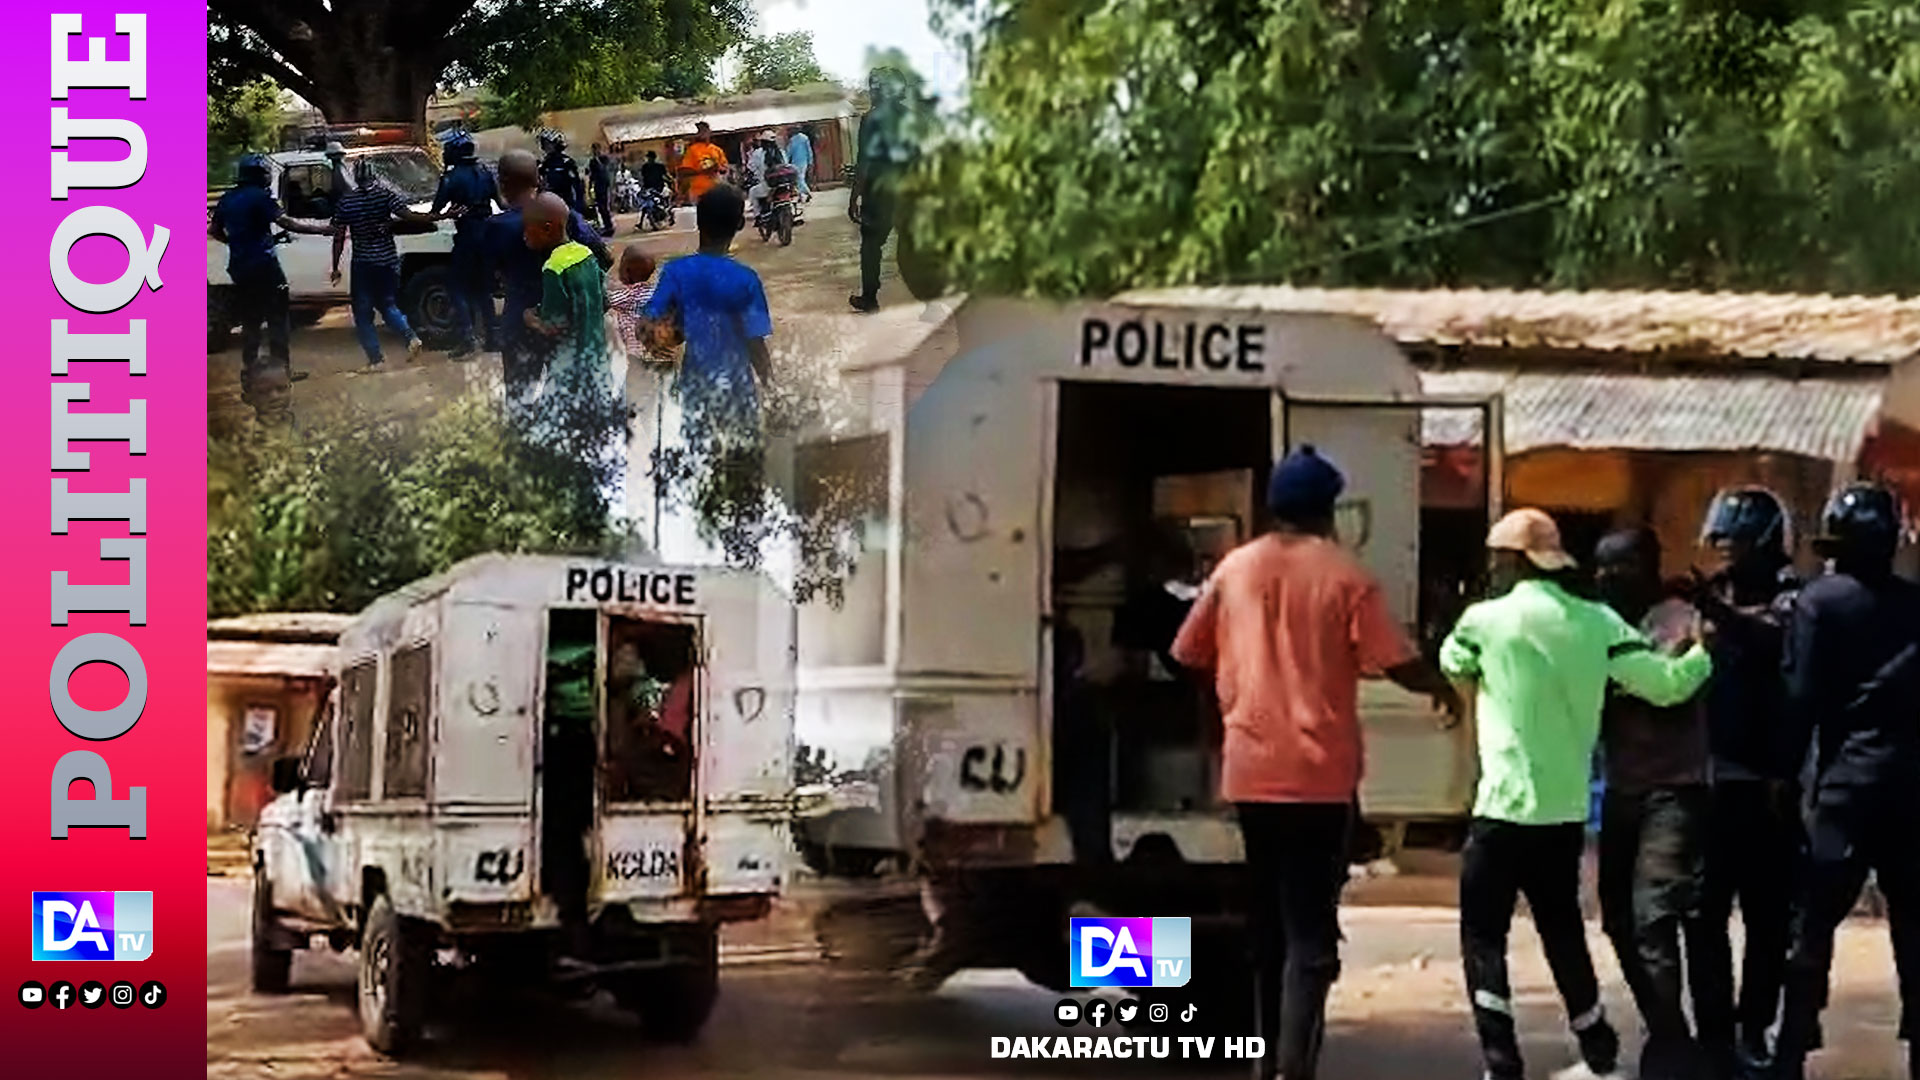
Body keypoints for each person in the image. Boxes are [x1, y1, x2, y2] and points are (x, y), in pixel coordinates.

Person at [1170, 446, 1463, 1080]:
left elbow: (1187, 651)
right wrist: (1441, 687)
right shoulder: (1347, 577)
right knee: (1310, 934)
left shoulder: (1233, 570)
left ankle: (1262, 1059)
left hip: (1250, 774)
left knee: (1268, 926)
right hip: (1321, 780)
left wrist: (1233, 705)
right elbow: (1396, 661)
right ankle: (1294, 1067)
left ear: (1273, 506)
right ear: (1329, 510)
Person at [1440, 508, 1714, 1080]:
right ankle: (1597, 1044)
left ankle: (1500, 1056)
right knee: (1562, 929)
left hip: (1502, 809)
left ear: (1513, 561)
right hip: (1564, 814)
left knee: (1483, 934)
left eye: (1498, 559)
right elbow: (1667, 689)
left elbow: (1452, 662)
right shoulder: (1600, 624)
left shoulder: (1483, 620)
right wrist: (1702, 653)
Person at [1772, 484, 1920, 1080]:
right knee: (1914, 926)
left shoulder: (1819, 603)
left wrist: (1783, 779)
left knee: (1813, 922)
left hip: (1844, 787)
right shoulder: (1916, 606)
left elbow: (1800, 699)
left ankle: (1791, 1052)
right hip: (1912, 786)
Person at [1681, 486, 1805, 1078]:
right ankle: (1714, 1033)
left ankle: (1755, 1027)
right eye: (1720, 545)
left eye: (1735, 544)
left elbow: (1774, 644)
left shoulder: (1796, 597)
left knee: (1767, 918)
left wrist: (1715, 610)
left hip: (1772, 785)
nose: (1726, 556)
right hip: (1711, 780)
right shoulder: (1717, 596)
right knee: (1702, 915)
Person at [1592, 528, 1715, 1080]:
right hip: (1622, 789)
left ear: (1646, 566)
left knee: (1654, 918)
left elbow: (1675, 687)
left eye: (1617, 568)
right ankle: (1667, 1030)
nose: (1605, 579)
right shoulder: (1597, 626)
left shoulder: (1681, 620)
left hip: (1675, 789)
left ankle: (1666, 1049)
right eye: (1600, 568)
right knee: (1618, 918)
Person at [642, 184, 773, 442]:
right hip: (738, 390)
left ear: (698, 222)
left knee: (698, 450)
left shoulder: (675, 272)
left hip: (695, 382)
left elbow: (649, 320)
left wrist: (656, 340)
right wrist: (771, 386)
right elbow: (755, 343)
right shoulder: (746, 279)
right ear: (739, 224)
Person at [482, 149, 612, 409]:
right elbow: (604, 258)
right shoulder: (563, 215)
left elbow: (485, 278)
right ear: (538, 179)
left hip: (520, 323)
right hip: (565, 325)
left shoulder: (495, 228)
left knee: (520, 398)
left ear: (502, 183)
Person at [209, 153, 335, 419]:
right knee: (278, 321)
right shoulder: (260, 197)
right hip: (265, 268)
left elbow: (215, 231)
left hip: (240, 268)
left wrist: (238, 244)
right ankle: (283, 372)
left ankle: (250, 375)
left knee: (251, 323)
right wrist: (321, 231)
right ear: (258, 174)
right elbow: (285, 222)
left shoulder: (228, 199)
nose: (268, 176)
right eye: (265, 172)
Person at [330, 157, 434, 370]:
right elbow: (409, 216)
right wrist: (439, 216)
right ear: (374, 176)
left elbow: (339, 235)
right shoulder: (385, 195)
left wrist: (335, 266)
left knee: (363, 313)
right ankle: (410, 337)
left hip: (364, 264)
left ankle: (376, 360)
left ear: (356, 178)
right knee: (388, 305)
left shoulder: (347, 201)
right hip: (387, 261)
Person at [849, 68, 918, 313]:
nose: (870, 93)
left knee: (871, 246)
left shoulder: (871, 119)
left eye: (872, 88)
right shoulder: (910, 117)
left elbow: (865, 161)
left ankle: (870, 298)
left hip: (879, 195)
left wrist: (854, 196)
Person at [428, 132, 500, 358]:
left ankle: (467, 337)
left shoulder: (451, 177)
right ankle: (492, 337)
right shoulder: (486, 171)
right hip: (487, 236)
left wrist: (448, 213)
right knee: (483, 289)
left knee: (456, 287)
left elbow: (436, 210)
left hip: (467, 235)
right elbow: (501, 202)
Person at [538, 129, 588, 218]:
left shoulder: (567, 162)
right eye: (544, 144)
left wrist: (579, 205)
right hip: (550, 202)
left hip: (566, 202)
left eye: (548, 144)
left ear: (556, 144)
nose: (546, 147)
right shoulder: (545, 163)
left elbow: (577, 185)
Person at [678, 122, 728, 207]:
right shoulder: (692, 150)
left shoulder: (717, 150)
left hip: (716, 191)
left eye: (705, 130)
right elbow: (684, 171)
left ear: (709, 132)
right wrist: (703, 171)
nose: (703, 133)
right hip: (698, 192)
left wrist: (719, 169)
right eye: (700, 131)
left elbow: (724, 168)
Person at [588, 142, 615, 234]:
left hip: (604, 185)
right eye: (593, 149)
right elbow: (592, 175)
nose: (594, 151)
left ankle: (609, 226)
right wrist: (590, 186)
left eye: (596, 149)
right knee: (600, 207)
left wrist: (597, 159)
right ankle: (605, 226)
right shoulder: (592, 162)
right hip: (597, 186)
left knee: (604, 207)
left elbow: (603, 169)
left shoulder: (604, 159)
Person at [785, 125, 814, 202]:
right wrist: (810, 161)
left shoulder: (794, 139)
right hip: (802, 161)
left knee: (799, 179)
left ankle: (807, 193)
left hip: (798, 162)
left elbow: (789, 152)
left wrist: (785, 162)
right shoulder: (804, 138)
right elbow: (809, 150)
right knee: (800, 179)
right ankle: (802, 196)